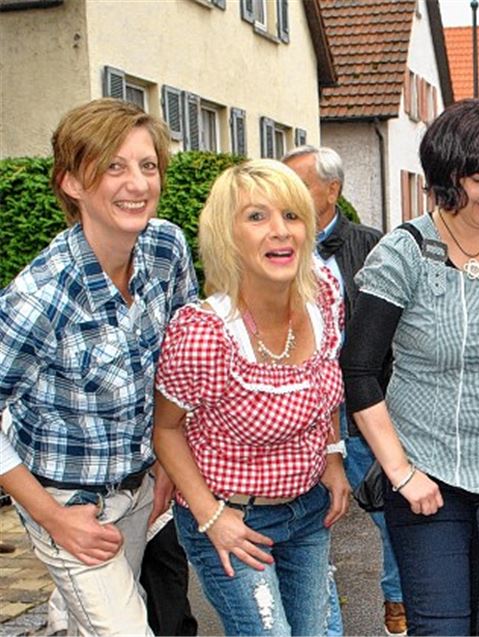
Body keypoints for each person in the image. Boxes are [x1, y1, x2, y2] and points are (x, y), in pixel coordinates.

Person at [341, 98, 479, 635]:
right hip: (427, 476)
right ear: (446, 174)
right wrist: (400, 472)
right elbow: (359, 369)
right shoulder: (405, 254)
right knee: (441, 628)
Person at [0, 98, 197, 636]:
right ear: (71, 182)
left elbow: (178, 365)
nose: (136, 183)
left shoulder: (167, 249)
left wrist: (165, 464)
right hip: (70, 502)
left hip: (139, 491)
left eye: (147, 165)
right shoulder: (40, 296)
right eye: (114, 166)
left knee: (91, 619)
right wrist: (53, 518)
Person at [153, 160, 351, 636]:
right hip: (232, 517)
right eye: (257, 217)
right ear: (228, 235)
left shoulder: (321, 298)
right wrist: (211, 515)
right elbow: (166, 429)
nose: (280, 232)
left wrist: (332, 455)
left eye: (291, 215)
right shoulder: (204, 332)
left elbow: (325, 387)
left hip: (308, 512)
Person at [282, 145, 406, 636]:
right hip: (299, 413)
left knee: (392, 509)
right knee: (305, 527)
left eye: (299, 185)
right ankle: (322, 625)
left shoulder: (372, 245)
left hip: (359, 408)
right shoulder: (272, 245)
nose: (286, 197)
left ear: (332, 190)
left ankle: (398, 599)